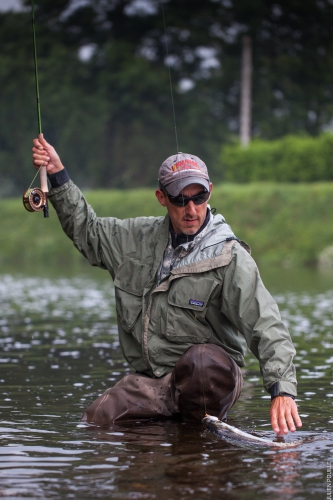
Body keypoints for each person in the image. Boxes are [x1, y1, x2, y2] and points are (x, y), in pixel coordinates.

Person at [32, 134, 302, 435]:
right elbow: (87, 231)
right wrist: (57, 175)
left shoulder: (230, 256)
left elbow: (266, 323)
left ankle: (194, 433)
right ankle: (171, 430)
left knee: (201, 363)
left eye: (199, 197)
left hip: (212, 378)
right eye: (179, 199)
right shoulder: (134, 239)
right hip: (154, 382)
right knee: (97, 420)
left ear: (210, 192)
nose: (191, 209)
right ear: (162, 198)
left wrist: (282, 391)